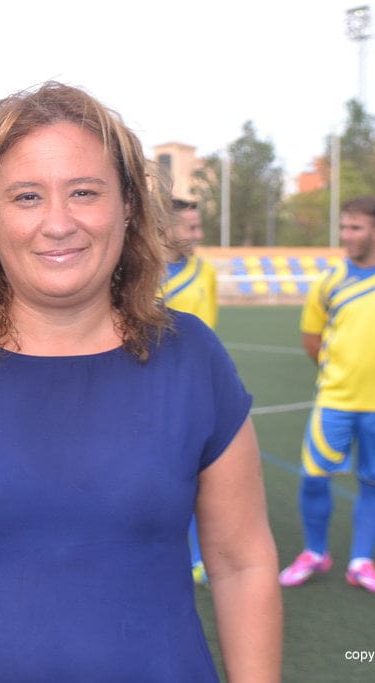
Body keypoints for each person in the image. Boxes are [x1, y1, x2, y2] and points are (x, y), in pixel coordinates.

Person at [0, 82, 281, 681]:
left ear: (129, 205)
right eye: (27, 197)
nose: (58, 223)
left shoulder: (193, 358)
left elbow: (243, 564)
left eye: (84, 192)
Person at [279, 196, 375, 595]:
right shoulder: (328, 282)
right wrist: (340, 373)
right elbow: (312, 340)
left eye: (356, 227)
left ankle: (361, 561)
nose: (347, 235)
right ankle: (315, 552)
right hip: (335, 399)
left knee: (374, 482)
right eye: (344, 227)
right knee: (314, 477)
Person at [158, 198, 218, 586]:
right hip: (149, 393)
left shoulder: (205, 272)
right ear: (166, 227)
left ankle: (197, 557)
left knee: (196, 477)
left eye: (198, 226)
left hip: (194, 392)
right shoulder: (140, 272)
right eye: (190, 227)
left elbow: (209, 334)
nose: (198, 234)